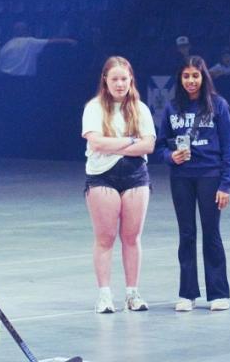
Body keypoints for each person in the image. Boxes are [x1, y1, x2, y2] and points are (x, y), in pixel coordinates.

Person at [155, 56, 230, 312]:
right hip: (181, 177)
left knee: (211, 233)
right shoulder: (171, 108)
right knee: (186, 234)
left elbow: (229, 147)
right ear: (180, 79)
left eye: (195, 76)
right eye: (186, 76)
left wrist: (225, 184)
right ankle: (187, 293)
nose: (191, 81)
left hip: (210, 176)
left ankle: (218, 293)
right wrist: (171, 157)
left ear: (204, 77)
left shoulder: (218, 106)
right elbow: (160, 145)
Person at [81, 56, 156, 313]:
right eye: (114, 79)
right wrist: (130, 141)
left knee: (131, 237)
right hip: (103, 176)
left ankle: (132, 294)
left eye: (124, 78)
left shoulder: (140, 109)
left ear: (131, 79)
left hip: (135, 177)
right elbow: (97, 143)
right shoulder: (94, 108)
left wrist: (119, 143)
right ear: (105, 80)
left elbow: (149, 145)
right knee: (105, 238)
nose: (120, 84)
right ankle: (104, 295)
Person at [0, 21, 77, 76]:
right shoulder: (30, 41)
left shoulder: (7, 44)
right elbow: (52, 41)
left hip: (6, 79)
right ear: (26, 30)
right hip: (23, 81)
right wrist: (69, 40)